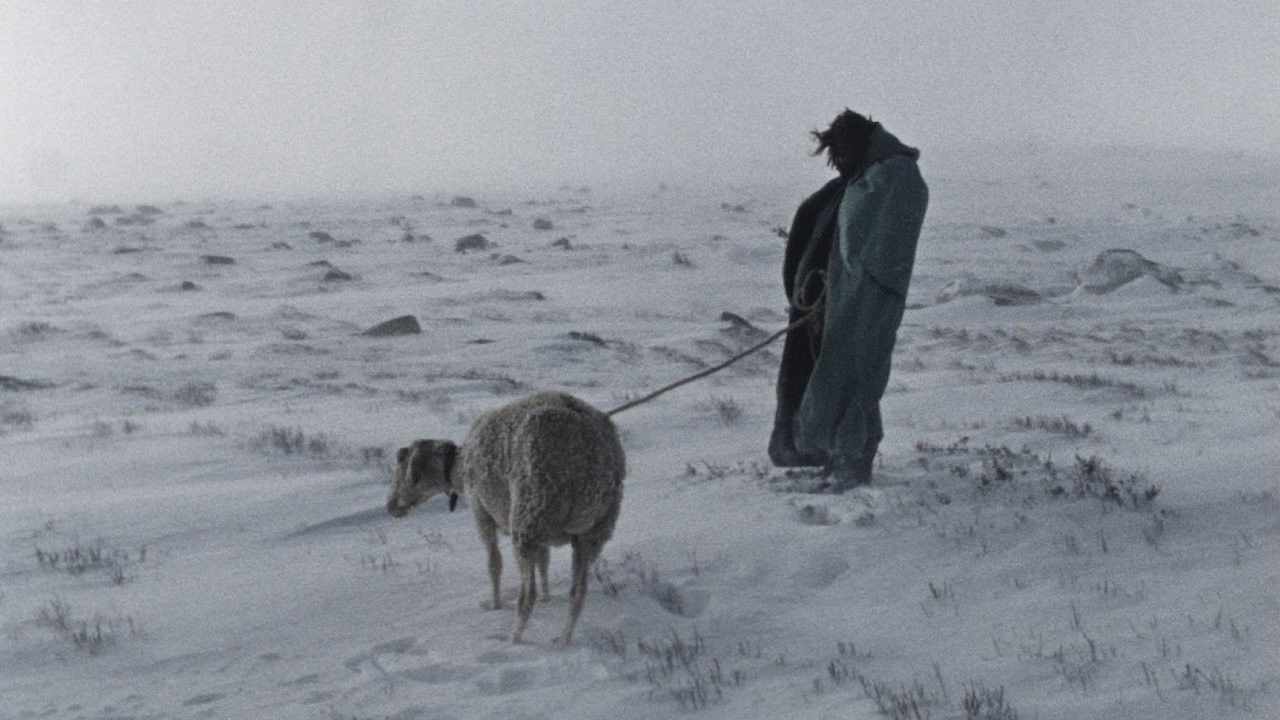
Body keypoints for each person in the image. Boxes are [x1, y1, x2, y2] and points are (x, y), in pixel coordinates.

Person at [768, 109, 928, 488]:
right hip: (839, 298)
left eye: (841, 152)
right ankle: (838, 455)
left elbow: (868, 237)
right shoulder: (860, 180)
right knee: (834, 375)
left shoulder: (896, 175)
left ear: (862, 144)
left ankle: (852, 463)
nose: (837, 162)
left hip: (869, 299)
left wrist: (853, 278)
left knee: (857, 377)